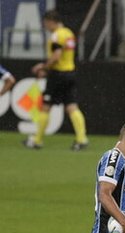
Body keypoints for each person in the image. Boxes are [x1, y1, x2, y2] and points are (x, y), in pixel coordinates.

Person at [23, 9, 88, 150]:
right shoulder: (69, 33)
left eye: (45, 24)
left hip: (57, 75)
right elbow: (64, 55)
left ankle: (37, 140)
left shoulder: (56, 36)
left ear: (51, 22)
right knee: (72, 106)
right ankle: (81, 139)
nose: (45, 27)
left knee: (46, 106)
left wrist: (45, 68)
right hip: (70, 72)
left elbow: (57, 55)